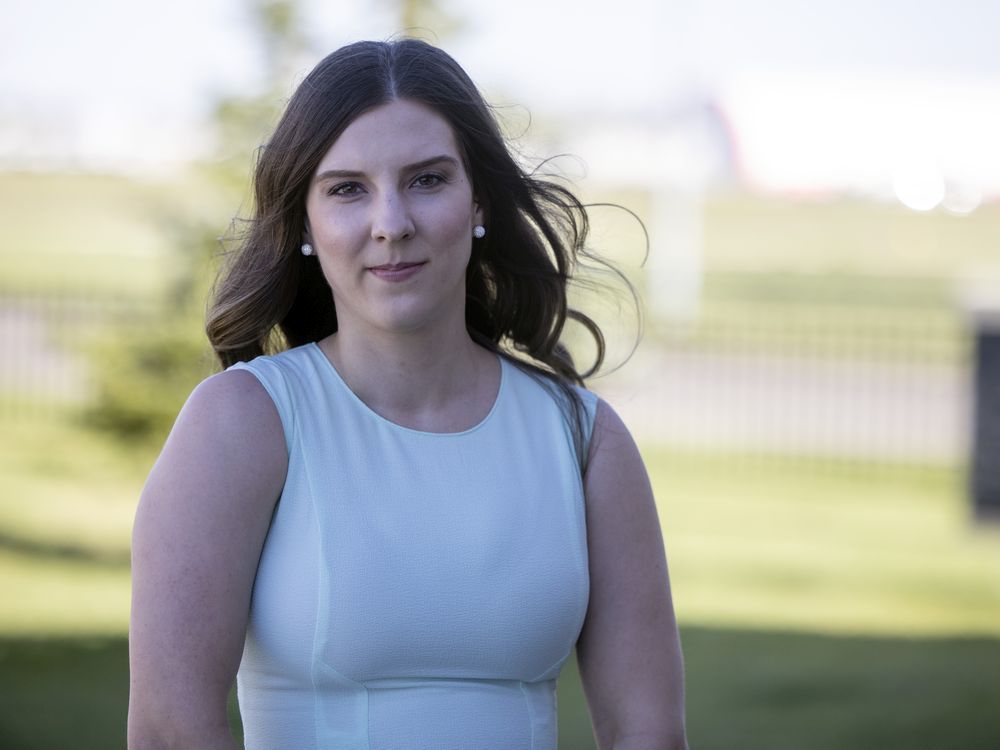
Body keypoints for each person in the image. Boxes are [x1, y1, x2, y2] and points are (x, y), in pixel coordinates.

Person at [128, 38, 687, 750]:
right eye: (347, 189)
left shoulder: (584, 440)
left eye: (426, 180)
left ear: (479, 199)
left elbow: (650, 735)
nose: (391, 223)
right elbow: (170, 730)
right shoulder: (243, 423)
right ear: (305, 222)